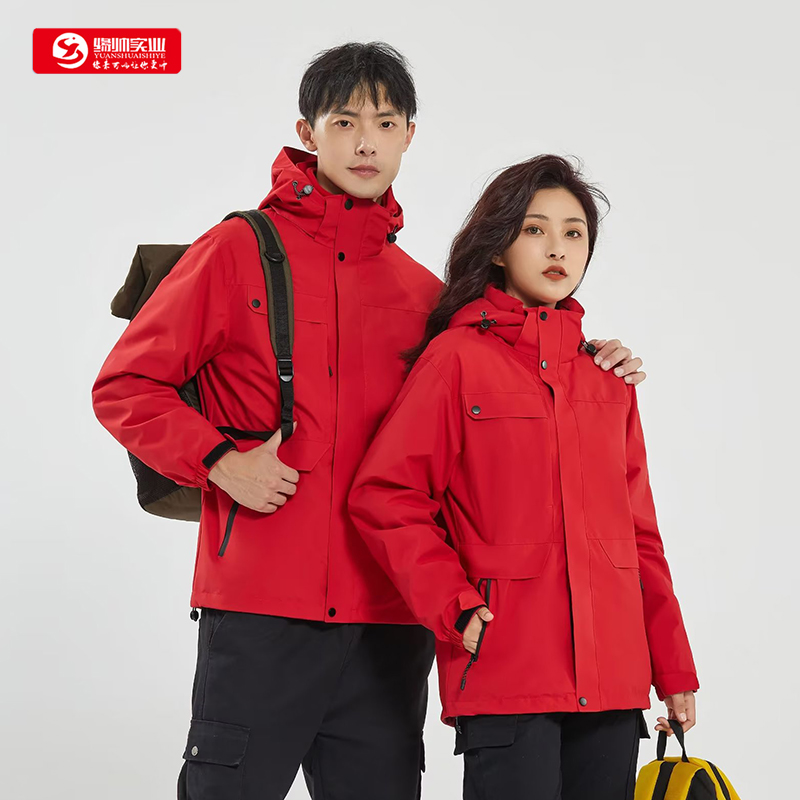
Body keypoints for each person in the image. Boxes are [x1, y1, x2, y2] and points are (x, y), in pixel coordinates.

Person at [91, 43, 646, 799]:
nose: (365, 143)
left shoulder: (424, 295)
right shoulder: (237, 252)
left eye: (385, 124)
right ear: (307, 131)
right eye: (344, 121)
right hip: (263, 610)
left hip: (391, 624)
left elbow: (504, 368)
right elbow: (126, 385)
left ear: (409, 136)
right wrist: (221, 460)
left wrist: (592, 356)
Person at [347, 154, 698, 800]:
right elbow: (386, 497)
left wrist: (673, 666)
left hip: (615, 680)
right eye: (535, 229)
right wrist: (454, 603)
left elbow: (640, 538)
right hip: (507, 670)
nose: (557, 248)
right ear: (499, 246)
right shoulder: (456, 360)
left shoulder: (607, 380)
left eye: (574, 232)